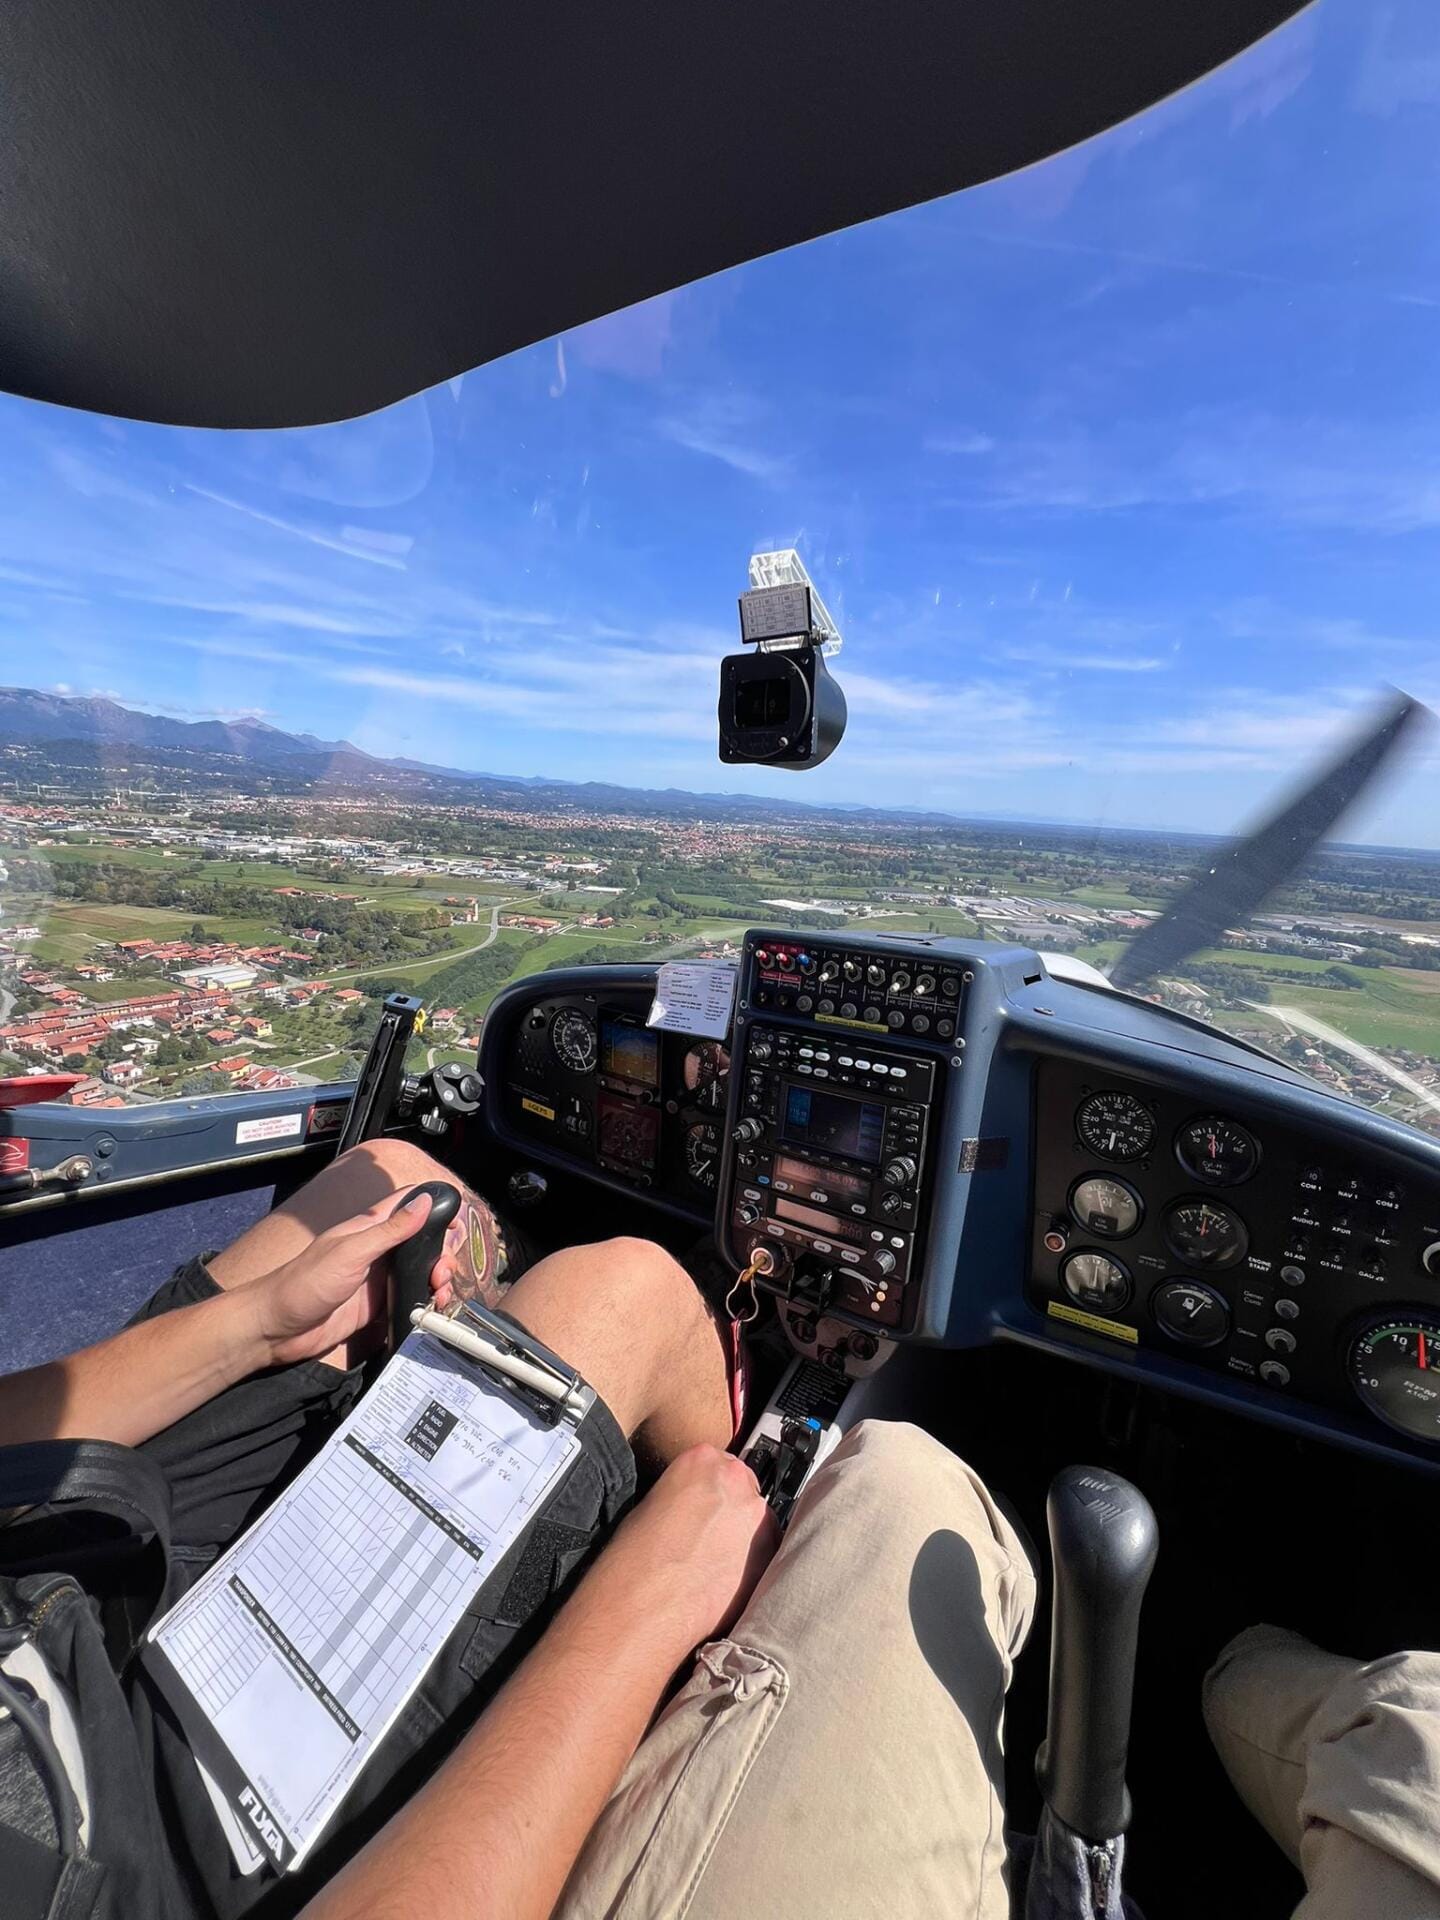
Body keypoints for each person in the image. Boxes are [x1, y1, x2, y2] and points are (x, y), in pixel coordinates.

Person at [0, 1136, 1038, 1920]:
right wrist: (640, 1605)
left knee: (391, 1174)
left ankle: (619, 1455)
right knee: (898, 1482)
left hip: (60, 1584)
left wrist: (259, 1322)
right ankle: (704, 1488)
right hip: (171, 1846)